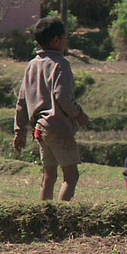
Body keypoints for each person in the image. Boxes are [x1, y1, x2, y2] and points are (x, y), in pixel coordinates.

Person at [13, 16, 90, 201]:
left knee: (49, 176)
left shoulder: (32, 65)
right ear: (56, 40)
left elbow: (21, 102)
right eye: (64, 37)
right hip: (58, 127)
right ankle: (61, 219)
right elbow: (62, 97)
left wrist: (19, 130)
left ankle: (43, 217)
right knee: (71, 177)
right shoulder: (60, 64)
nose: (66, 41)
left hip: (39, 128)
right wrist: (79, 115)